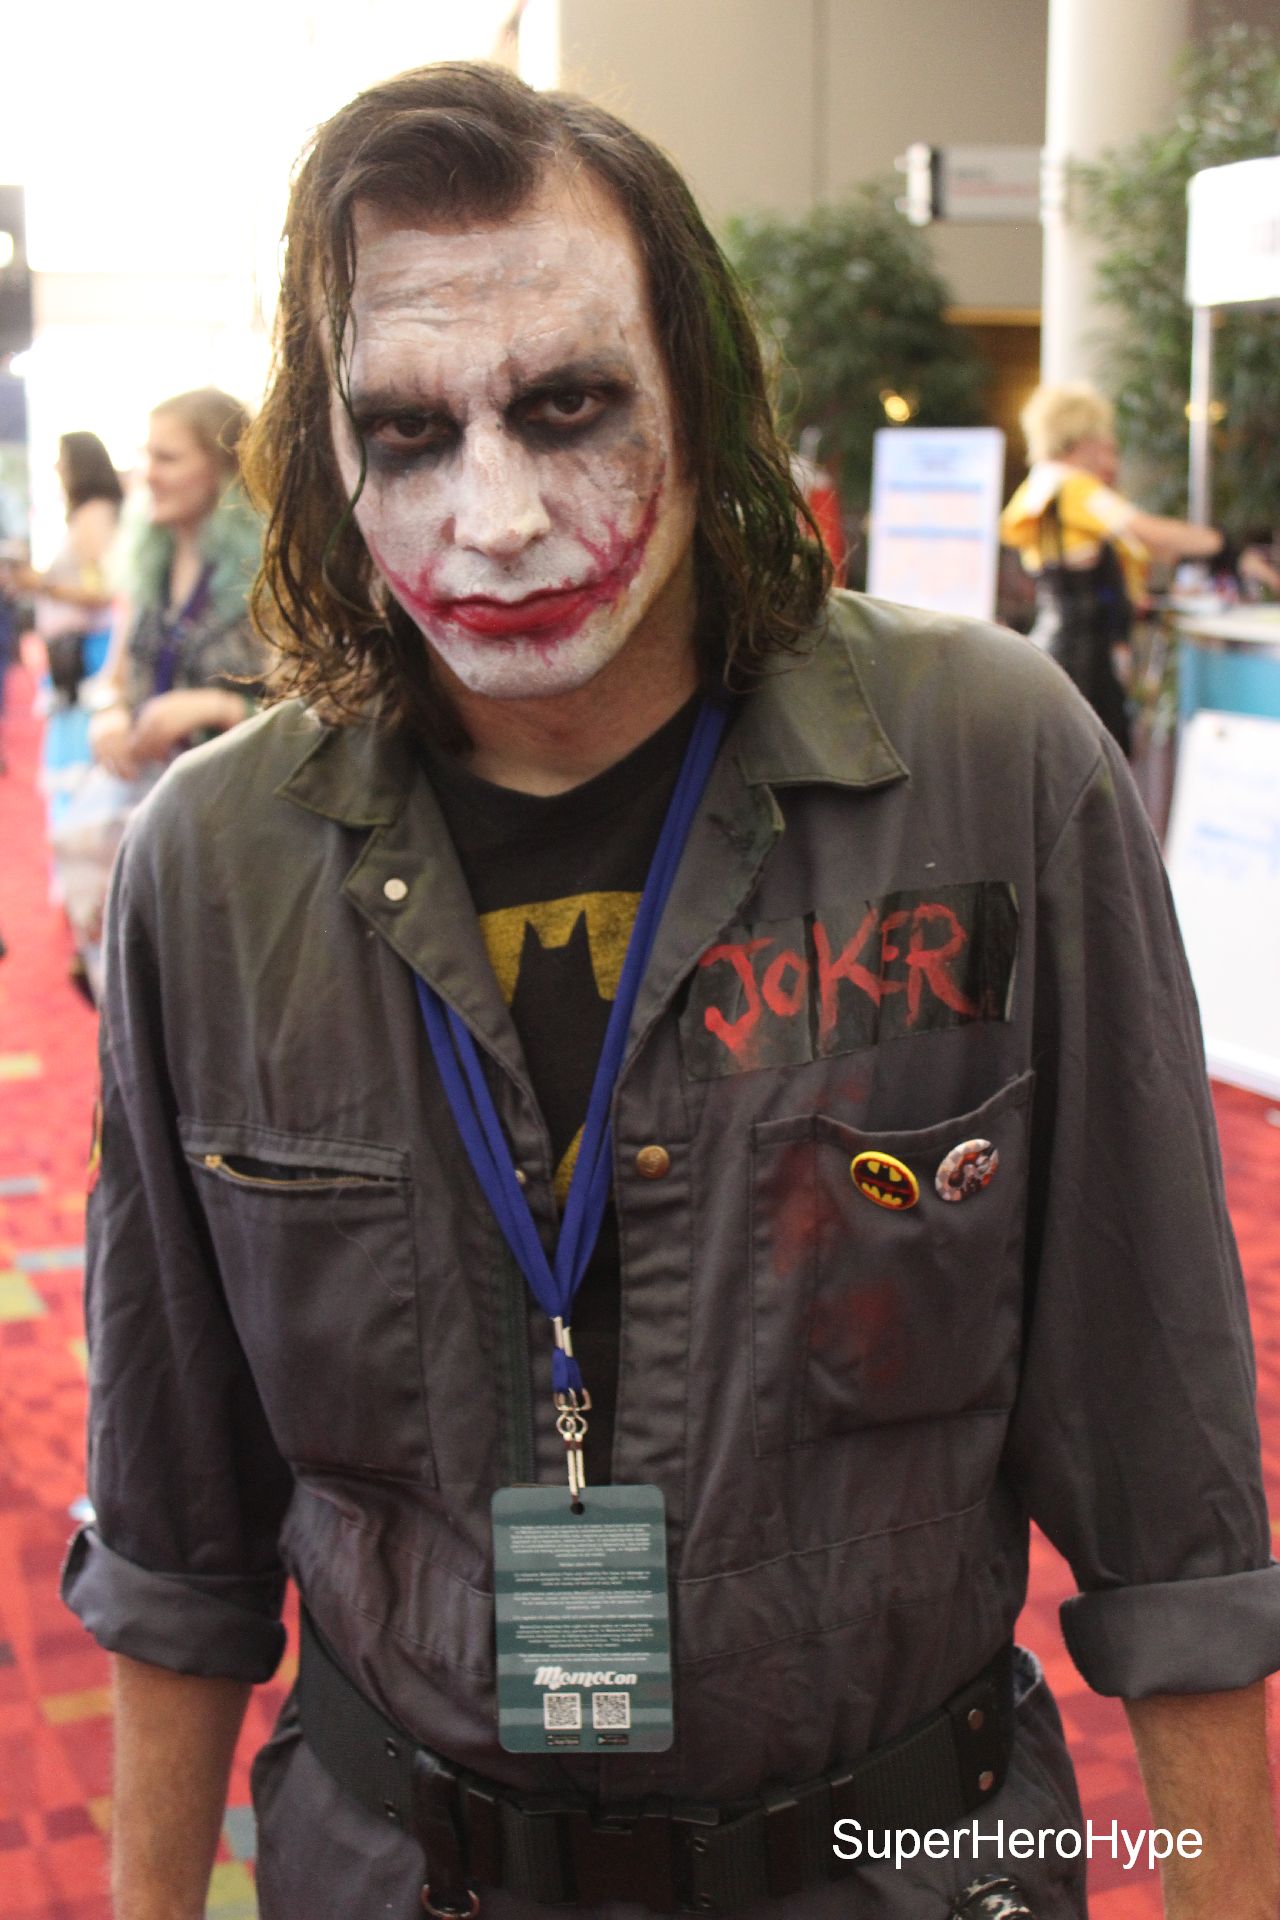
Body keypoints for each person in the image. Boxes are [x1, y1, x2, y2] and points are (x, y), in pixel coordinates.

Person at [62, 66, 1280, 1920]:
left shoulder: (993, 765)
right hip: (400, 1870)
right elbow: (174, 1527)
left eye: (569, 406)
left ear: (698, 396)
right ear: (329, 459)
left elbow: (1168, 1467)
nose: (495, 516)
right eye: (407, 432)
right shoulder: (214, 867)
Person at [999, 382, 1238, 755]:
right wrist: (1224, 545)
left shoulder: (1041, 486)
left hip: (1060, 649)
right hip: (1083, 662)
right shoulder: (1073, 487)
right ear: (1082, 437)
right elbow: (1148, 532)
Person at [87, 387, 264, 781]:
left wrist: (220, 708)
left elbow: (317, 714)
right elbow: (113, 679)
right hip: (151, 790)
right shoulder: (149, 567)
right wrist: (107, 713)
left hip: (236, 793)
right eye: (146, 456)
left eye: (166, 458)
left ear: (225, 468)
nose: (148, 474)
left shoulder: (271, 577)